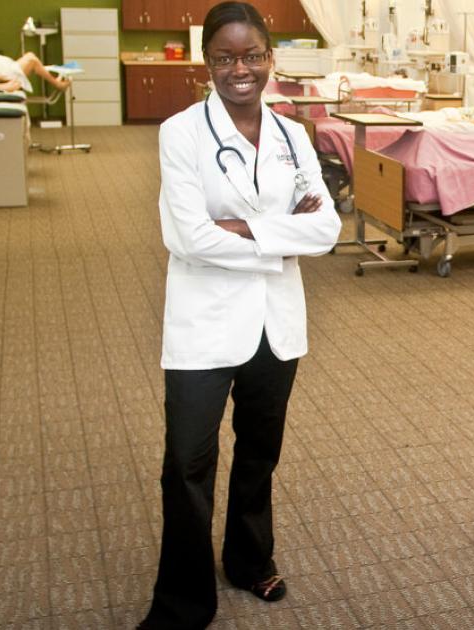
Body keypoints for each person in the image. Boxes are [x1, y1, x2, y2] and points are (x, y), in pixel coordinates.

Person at [138, 2, 341, 629]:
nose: (240, 69)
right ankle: (182, 601)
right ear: (208, 63)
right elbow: (189, 239)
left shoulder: (292, 135)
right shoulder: (181, 133)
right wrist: (284, 233)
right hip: (205, 323)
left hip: (274, 326)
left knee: (259, 451)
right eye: (225, 57)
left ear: (270, 58)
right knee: (187, 462)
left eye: (252, 55)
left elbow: (328, 229)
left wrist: (244, 229)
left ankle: (250, 559)